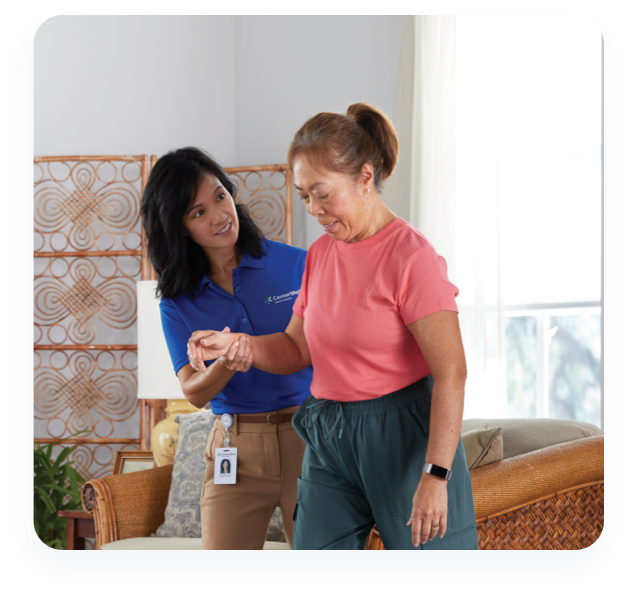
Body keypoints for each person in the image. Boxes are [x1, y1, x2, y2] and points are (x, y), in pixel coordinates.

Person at [187, 104, 478, 551]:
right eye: (304, 196)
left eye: (322, 193)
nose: (314, 210)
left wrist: (436, 474)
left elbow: (451, 371)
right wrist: (236, 345)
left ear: (365, 177)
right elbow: (294, 348)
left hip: (403, 434)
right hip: (330, 433)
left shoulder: (412, 258)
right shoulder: (321, 255)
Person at [141, 147, 312, 550]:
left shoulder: (297, 265)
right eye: (198, 212)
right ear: (179, 227)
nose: (219, 215)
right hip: (234, 447)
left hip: (307, 436)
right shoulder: (176, 300)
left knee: (321, 573)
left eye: (220, 196)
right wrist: (228, 363)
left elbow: (317, 348)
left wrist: (237, 344)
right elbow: (194, 392)